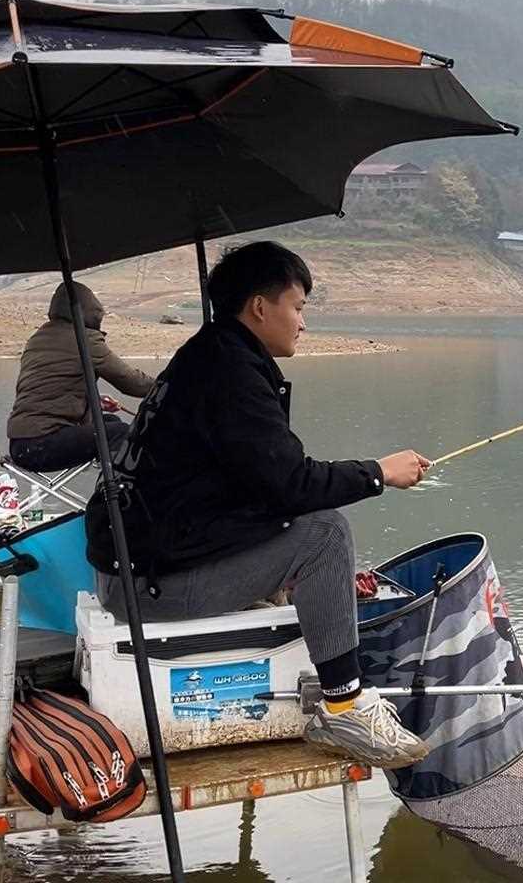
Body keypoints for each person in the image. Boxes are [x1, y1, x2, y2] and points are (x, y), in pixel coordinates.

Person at [85, 241, 433, 769]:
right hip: (147, 586)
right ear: (260, 307)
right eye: (298, 307)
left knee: (300, 524)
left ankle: (332, 684)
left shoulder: (209, 356)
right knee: (325, 535)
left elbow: (262, 482)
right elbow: (290, 485)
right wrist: (379, 473)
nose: (302, 323)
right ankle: (344, 704)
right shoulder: (231, 374)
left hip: (139, 565)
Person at [7, 282, 157, 473]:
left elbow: (47, 389)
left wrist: (91, 400)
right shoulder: (83, 338)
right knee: (118, 433)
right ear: (89, 311)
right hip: (42, 444)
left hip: (21, 445)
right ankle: (115, 497)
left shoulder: (38, 337)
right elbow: (131, 382)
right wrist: (168, 385)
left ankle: (109, 486)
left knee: (110, 422)